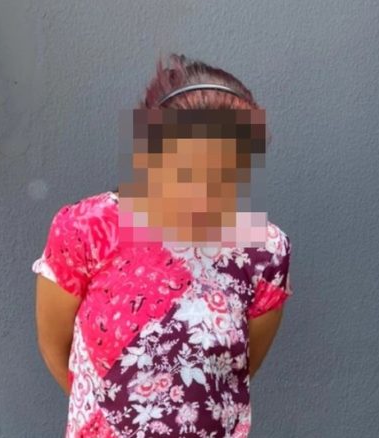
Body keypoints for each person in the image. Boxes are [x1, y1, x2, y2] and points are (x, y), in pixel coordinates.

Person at [33, 53, 294, 437]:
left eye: (227, 173)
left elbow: (236, 372)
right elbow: (55, 348)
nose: (206, 191)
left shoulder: (264, 251)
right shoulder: (87, 229)